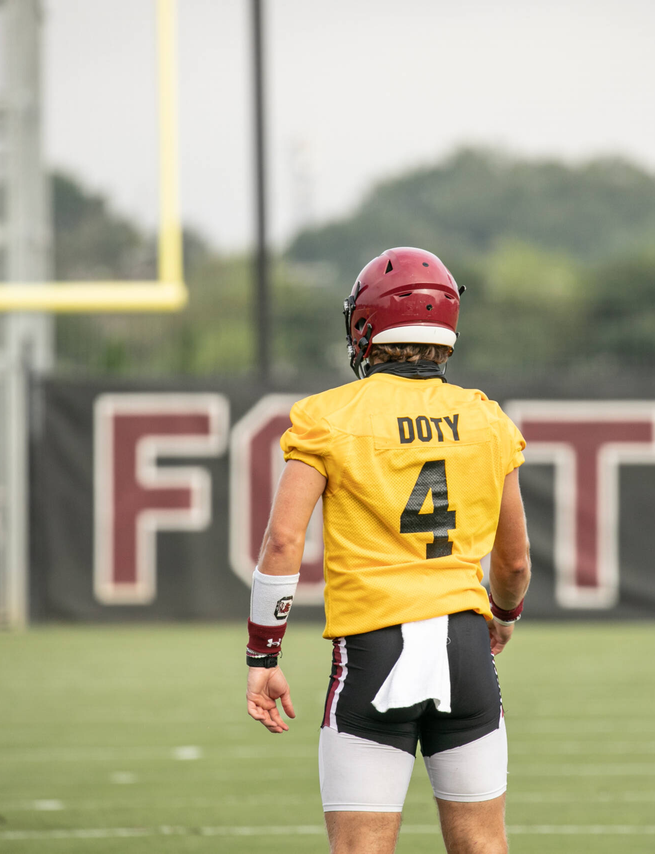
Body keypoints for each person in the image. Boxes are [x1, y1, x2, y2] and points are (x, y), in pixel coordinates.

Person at [244, 246, 532, 854]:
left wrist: (263, 654)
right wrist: (502, 617)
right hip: (464, 650)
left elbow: (282, 540)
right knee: (484, 844)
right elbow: (513, 562)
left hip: (373, 648)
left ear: (365, 326)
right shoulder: (487, 420)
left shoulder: (328, 417)